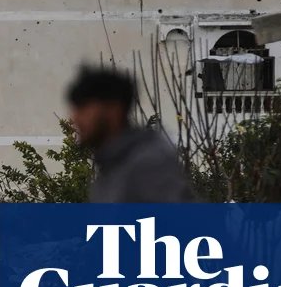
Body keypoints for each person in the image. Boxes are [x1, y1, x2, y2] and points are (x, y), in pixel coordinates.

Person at [66, 67, 196, 203]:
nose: (75, 118)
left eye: (83, 108)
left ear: (113, 109)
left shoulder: (148, 164)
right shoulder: (110, 168)